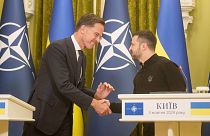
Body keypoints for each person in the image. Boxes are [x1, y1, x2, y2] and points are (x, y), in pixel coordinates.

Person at [23, 13, 114, 136]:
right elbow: (63, 85)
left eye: (100, 37)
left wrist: (96, 95)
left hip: (64, 121)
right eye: (96, 34)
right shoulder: (57, 49)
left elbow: (78, 88)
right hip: (42, 120)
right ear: (83, 29)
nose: (98, 40)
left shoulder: (82, 57)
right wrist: (94, 103)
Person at [110, 30, 186, 136]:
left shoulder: (166, 65)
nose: (129, 48)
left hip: (170, 130)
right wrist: (109, 106)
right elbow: (135, 106)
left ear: (144, 46)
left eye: (132, 44)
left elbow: (182, 98)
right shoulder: (139, 75)